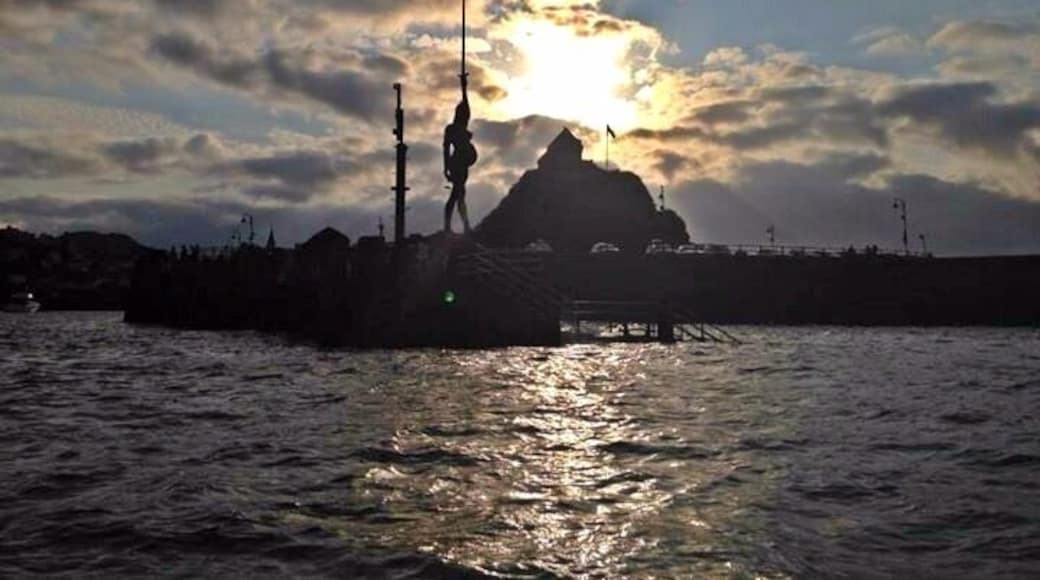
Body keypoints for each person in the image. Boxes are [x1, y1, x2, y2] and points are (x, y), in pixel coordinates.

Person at [443, 74, 478, 233]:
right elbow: (445, 148)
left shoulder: (460, 127)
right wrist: (446, 168)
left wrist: (464, 87)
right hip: (457, 162)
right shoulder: (453, 129)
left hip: (461, 163)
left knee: (459, 194)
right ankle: (457, 226)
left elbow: (466, 105)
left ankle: (463, 226)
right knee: (457, 195)